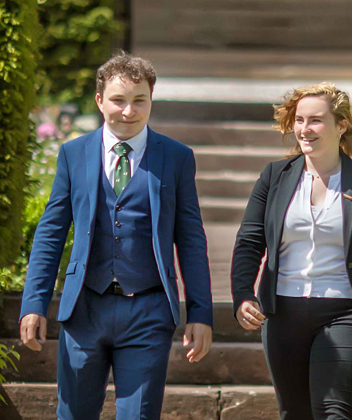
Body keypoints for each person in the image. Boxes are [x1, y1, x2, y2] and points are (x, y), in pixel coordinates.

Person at [18, 53, 216, 420]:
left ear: (151, 99)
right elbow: (50, 232)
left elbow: (191, 239)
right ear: (99, 101)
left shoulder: (176, 157)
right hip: (84, 308)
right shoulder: (73, 154)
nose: (129, 111)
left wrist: (200, 312)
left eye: (139, 100)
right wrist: (34, 303)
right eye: (118, 100)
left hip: (148, 310)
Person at [228, 83, 352, 419]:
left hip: (347, 313)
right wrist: (243, 295)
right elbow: (250, 241)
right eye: (299, 120)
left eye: (316, 120)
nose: (304, 129)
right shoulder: (273, 177)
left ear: (341, 125)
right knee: (295, 413)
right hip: (283, 313)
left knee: (335, 412)